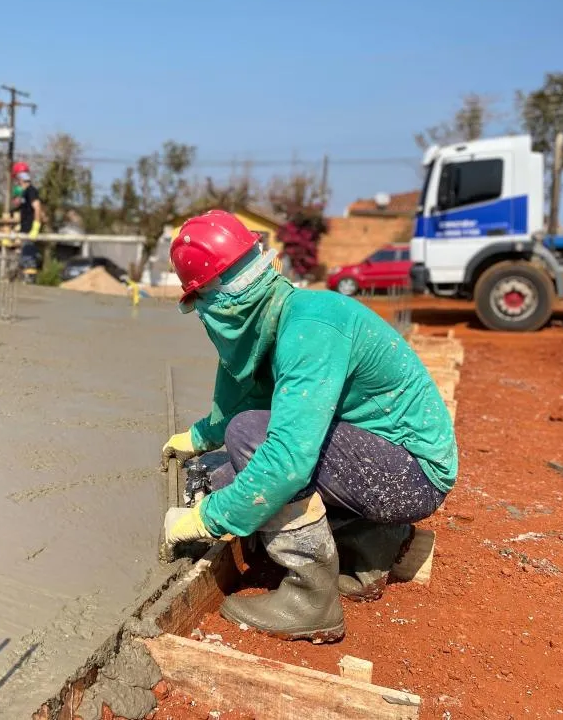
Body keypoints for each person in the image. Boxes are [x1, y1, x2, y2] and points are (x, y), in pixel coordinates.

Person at [160, 210, 457, 643]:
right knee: (227, 471)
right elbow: (246, 397)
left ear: (216, 300)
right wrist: (200, 438)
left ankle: (311, 598)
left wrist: (205, 519)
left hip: (412, 475)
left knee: (250, 444)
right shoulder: (276, 317)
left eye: (200, 304)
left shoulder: (309, 329)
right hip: (388, 460)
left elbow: (285, 461)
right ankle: (370, 545)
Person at [13, 163, 42, 274]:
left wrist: (36, 226)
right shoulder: (24, 193)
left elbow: (37, 208)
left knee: (28, 259)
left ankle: (30, 280)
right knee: (23, 258)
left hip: (30, 230)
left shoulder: (31, 191)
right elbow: (18, 207)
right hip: (24, 230)